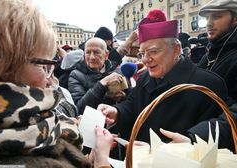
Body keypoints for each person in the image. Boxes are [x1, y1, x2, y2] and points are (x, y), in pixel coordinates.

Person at [0, 0, 113, 167]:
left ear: (106, 55)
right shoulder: (26, 158)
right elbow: (81, 103)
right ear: (5, 66)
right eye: (44, 66)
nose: (48, 80)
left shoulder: (34, 128)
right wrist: (101, 161)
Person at [97, 9, 227, 149]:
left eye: (153, 51)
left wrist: (190, 143)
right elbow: (132, 105)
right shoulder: (145, 77)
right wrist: (117, 112)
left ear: (176, 50)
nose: (146, 59)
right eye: (142, 53)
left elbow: (220, 131)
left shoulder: (208, 85)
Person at [162, 0, 237, 153]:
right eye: (207, 18)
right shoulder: (210, 53)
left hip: (221, 149)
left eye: (217, 17)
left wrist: (196, 137)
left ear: (235, 19)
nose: (209, 23)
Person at [68, 37, 128, 115]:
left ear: (106, 55)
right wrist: (102, 84)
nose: (92, 57)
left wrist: (122, 97)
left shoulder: (116, 71)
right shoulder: (76, 75)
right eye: (88, 52)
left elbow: (129, 102)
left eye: (96, 52)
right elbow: (79, 108)